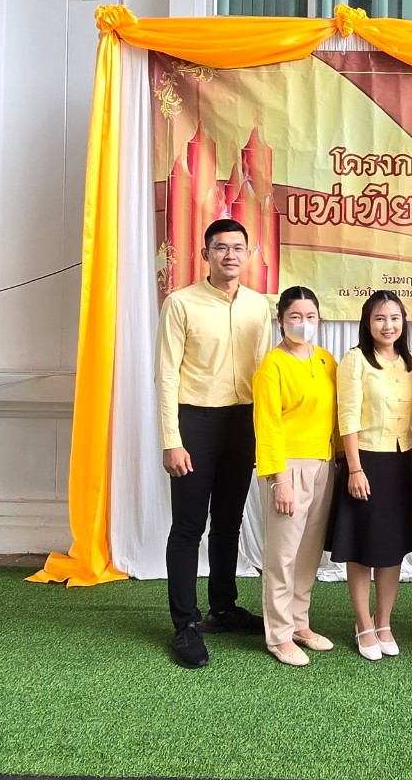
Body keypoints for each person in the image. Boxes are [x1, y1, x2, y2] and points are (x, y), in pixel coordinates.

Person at [155, 217, 271, 669]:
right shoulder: (181, 303)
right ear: (206, 254)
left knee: (229, 521)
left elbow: (266, 373)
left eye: (237, 248)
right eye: (220, 248)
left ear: (248, 254)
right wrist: (172, 440)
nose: (230, 255)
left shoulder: (259, 306)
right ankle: (185, 624)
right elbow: (166, 374)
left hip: (243, 423)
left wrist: (264, 436)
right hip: (196, 423)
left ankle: (223, 609)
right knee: (188, 526)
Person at [328, 291, 412, 661]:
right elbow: (347, 417)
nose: (388, 325)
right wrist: (353, 468)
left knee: (392, 546)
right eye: (380, 318)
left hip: (400, 462)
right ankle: (363, 623)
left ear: (403, 322)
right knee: (361, 546)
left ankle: (383, 621)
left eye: (395, 318)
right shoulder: (355, 360)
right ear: (367, 323)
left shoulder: (411, 363)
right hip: (365, 460)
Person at [254, 286, 340, 667]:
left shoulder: (325, 360)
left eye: (310, 317)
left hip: (324, 464)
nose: (303, 324)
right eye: (295, 317)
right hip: (288, 467)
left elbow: (336, 414)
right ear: (280, 321)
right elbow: (267, 426)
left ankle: (299, 622)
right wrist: (280, 480)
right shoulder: (272, 366)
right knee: (282, 554)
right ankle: (278, 634)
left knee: (308, 552)